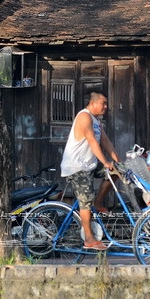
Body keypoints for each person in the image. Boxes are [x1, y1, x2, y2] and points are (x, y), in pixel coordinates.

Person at [60, 91, 120, 250]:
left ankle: (99, 202)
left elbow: (105, 141)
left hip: (89, 164)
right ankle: (88, 239)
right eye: (103, 103)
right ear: (93, 103)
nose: (106, 106)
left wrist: (116, 160)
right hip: (77, 166)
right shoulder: (84, 117)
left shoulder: (97, 121)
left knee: (116, 172)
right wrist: (105, 162)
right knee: (85, 200)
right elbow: (93, 141)